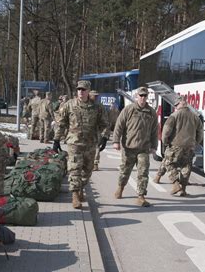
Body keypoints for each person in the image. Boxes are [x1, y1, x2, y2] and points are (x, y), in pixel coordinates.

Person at [53, 81, 109, 209]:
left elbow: (105, 124)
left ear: (88, 91)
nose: (80, 92)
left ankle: (80, 189)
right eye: (79, 89)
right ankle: (75, 196)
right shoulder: (69, 105)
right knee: (74, 169)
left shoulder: (97, 107)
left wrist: (105, 137)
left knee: (87, 171)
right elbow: (61, 123)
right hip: (74, 143)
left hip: (90, 144)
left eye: (83, 90)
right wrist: (56, 140)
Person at [112, 86, 158, 207]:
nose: (142, 98)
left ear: (147, 97)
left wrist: (154, 146)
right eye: (140, 95)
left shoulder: (151, 112)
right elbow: (119, 126)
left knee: (143, 172)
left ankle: (141, 196)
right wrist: (115, 141)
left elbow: (154, 131)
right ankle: (120, 188)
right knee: (125, 171)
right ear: (137, 96)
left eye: (145, 96)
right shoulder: (129, 110)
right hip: (129, 147)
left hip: (144, 148)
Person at [153, 96, 203, 196]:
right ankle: (183, 190)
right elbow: (200, 133)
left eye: (176, 105)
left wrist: (165, 142)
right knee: (186, 167)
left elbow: (166, 131)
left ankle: (176, 184)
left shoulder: (174, 116)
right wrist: (195, 143)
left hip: (175, 145)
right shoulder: (195, 117)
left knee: (169, 163)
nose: (176, 107)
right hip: (190, 146)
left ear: (181, 104)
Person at [89, 90, 105, 171]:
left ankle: (95, 164)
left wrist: (105, 135)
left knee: (96, 147)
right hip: (85, 132)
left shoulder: (100, 106)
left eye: (97, 96)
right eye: (94, 96)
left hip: (96, 131)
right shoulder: (85, 105)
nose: (96, 97)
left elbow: (105, 121)